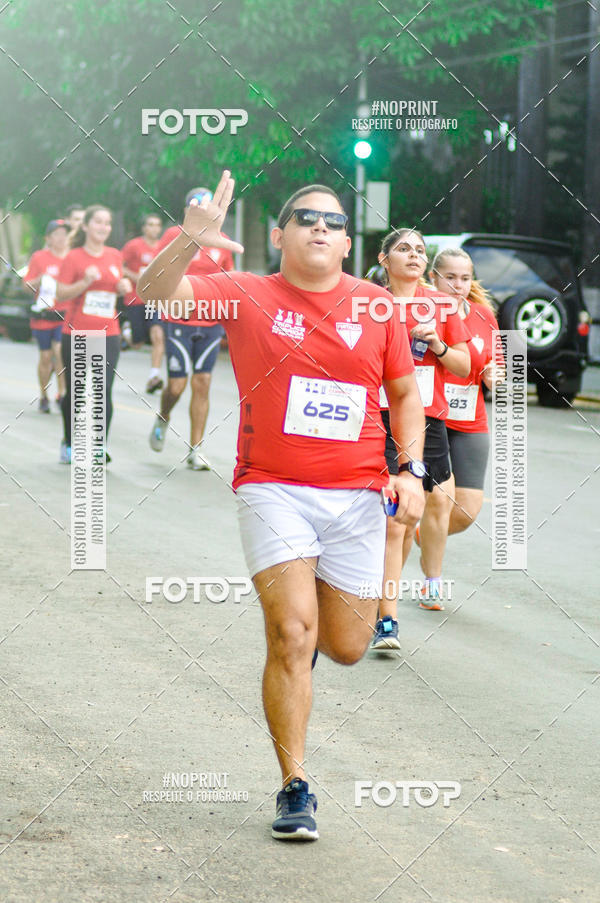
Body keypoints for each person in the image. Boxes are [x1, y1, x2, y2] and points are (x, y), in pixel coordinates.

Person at [138, 171, 426, 841]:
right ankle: (295, 785)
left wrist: (408, 467)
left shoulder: (378, 308)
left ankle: (307, 645)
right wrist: (190, 239)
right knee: (293, 634)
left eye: (331, 219)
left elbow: (405, 393)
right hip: (274, 488)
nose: (319, 226)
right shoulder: (245, 294)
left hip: (358, 496)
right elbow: (154, 292)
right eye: (304, 217)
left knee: (347, 646)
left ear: (349, 242)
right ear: (278, 235)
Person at [372, 229, 469, 650]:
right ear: (384, 258)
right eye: (403, 249)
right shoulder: (367, 302)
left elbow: (464, 366)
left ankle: (406, 586)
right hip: (378, 418)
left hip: (428, 422)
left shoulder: (442, 306)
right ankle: (386, 620)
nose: (413, 255)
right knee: (394, 521)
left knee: (428, 509)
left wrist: (438, 344)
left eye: (419, 250)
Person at [148, 187, 234, 470]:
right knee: (176, 384)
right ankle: (163, 416)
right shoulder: (174, 235)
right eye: (197, 206)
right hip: (178, 321)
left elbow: (228, 280)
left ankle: (195, 450)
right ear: (187, 210)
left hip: (210, 323)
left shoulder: (222, 241)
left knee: (203, 383)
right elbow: (159, 272)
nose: (203, 211)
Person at [429, 247, 504, 535]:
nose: (457, 285)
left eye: (464, 278)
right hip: (429, 419)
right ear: (433, 278)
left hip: (470, 422)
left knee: (466, 510)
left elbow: (496, 366)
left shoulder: (484, 316)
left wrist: (493, 375)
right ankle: (420, 564)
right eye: (449, 277)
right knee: (435, 499)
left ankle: (419, 537)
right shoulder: (421, 313)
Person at [56, 205, 132, 464]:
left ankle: (99, 447)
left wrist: (124, 287)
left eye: (107, 223)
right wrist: (84, 283)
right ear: (86, 226)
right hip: (76, 332)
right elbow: (62, 293)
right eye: (98, 222)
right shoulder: (74, 257)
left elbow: (118, 288)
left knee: (103, 391)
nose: (103, 227)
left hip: (108, 333)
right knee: (77, 392)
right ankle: (68, 443)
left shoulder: (114, 255)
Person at [23, 220, 70, 411]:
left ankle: (62, 394)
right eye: (57, 234)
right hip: (43, 315)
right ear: (48, 238)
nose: (61, 238)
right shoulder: (39, 257)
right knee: (45, 357)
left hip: (64, 316)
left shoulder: (72, 257)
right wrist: (39, 280)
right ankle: (44, 395)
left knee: (60, 352)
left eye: (64, 234)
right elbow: (26, 286)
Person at [120, 213, 164, 392]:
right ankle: (128, 335)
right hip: (135, 298)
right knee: (137, 343)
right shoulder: (133, 246)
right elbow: (118, 265)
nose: (154, 228)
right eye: (150, 225)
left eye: (157, 225)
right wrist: (136, 276)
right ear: (144, 228)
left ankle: (154, 375)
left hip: (156, 299)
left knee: (158, 334)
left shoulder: (163, 247)